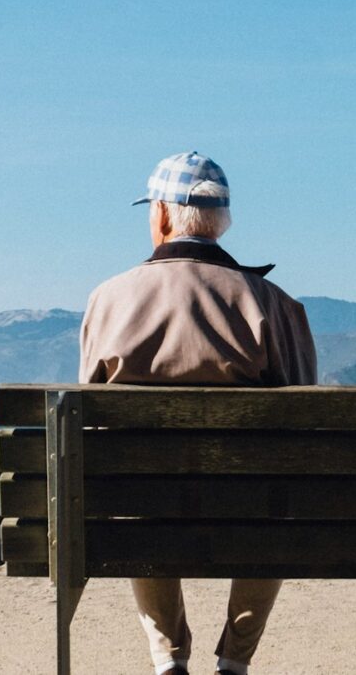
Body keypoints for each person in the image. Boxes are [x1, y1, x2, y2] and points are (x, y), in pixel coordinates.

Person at [79, 150, 318, 675]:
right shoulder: (272, 303)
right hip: (249, 507)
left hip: (145, 505)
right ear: (220, 223)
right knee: (276, 503)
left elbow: (89, 419)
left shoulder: (108, 299)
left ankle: (168, 658)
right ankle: (235, 661)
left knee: (135, 495)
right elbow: (308, 416)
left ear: (161, 215)